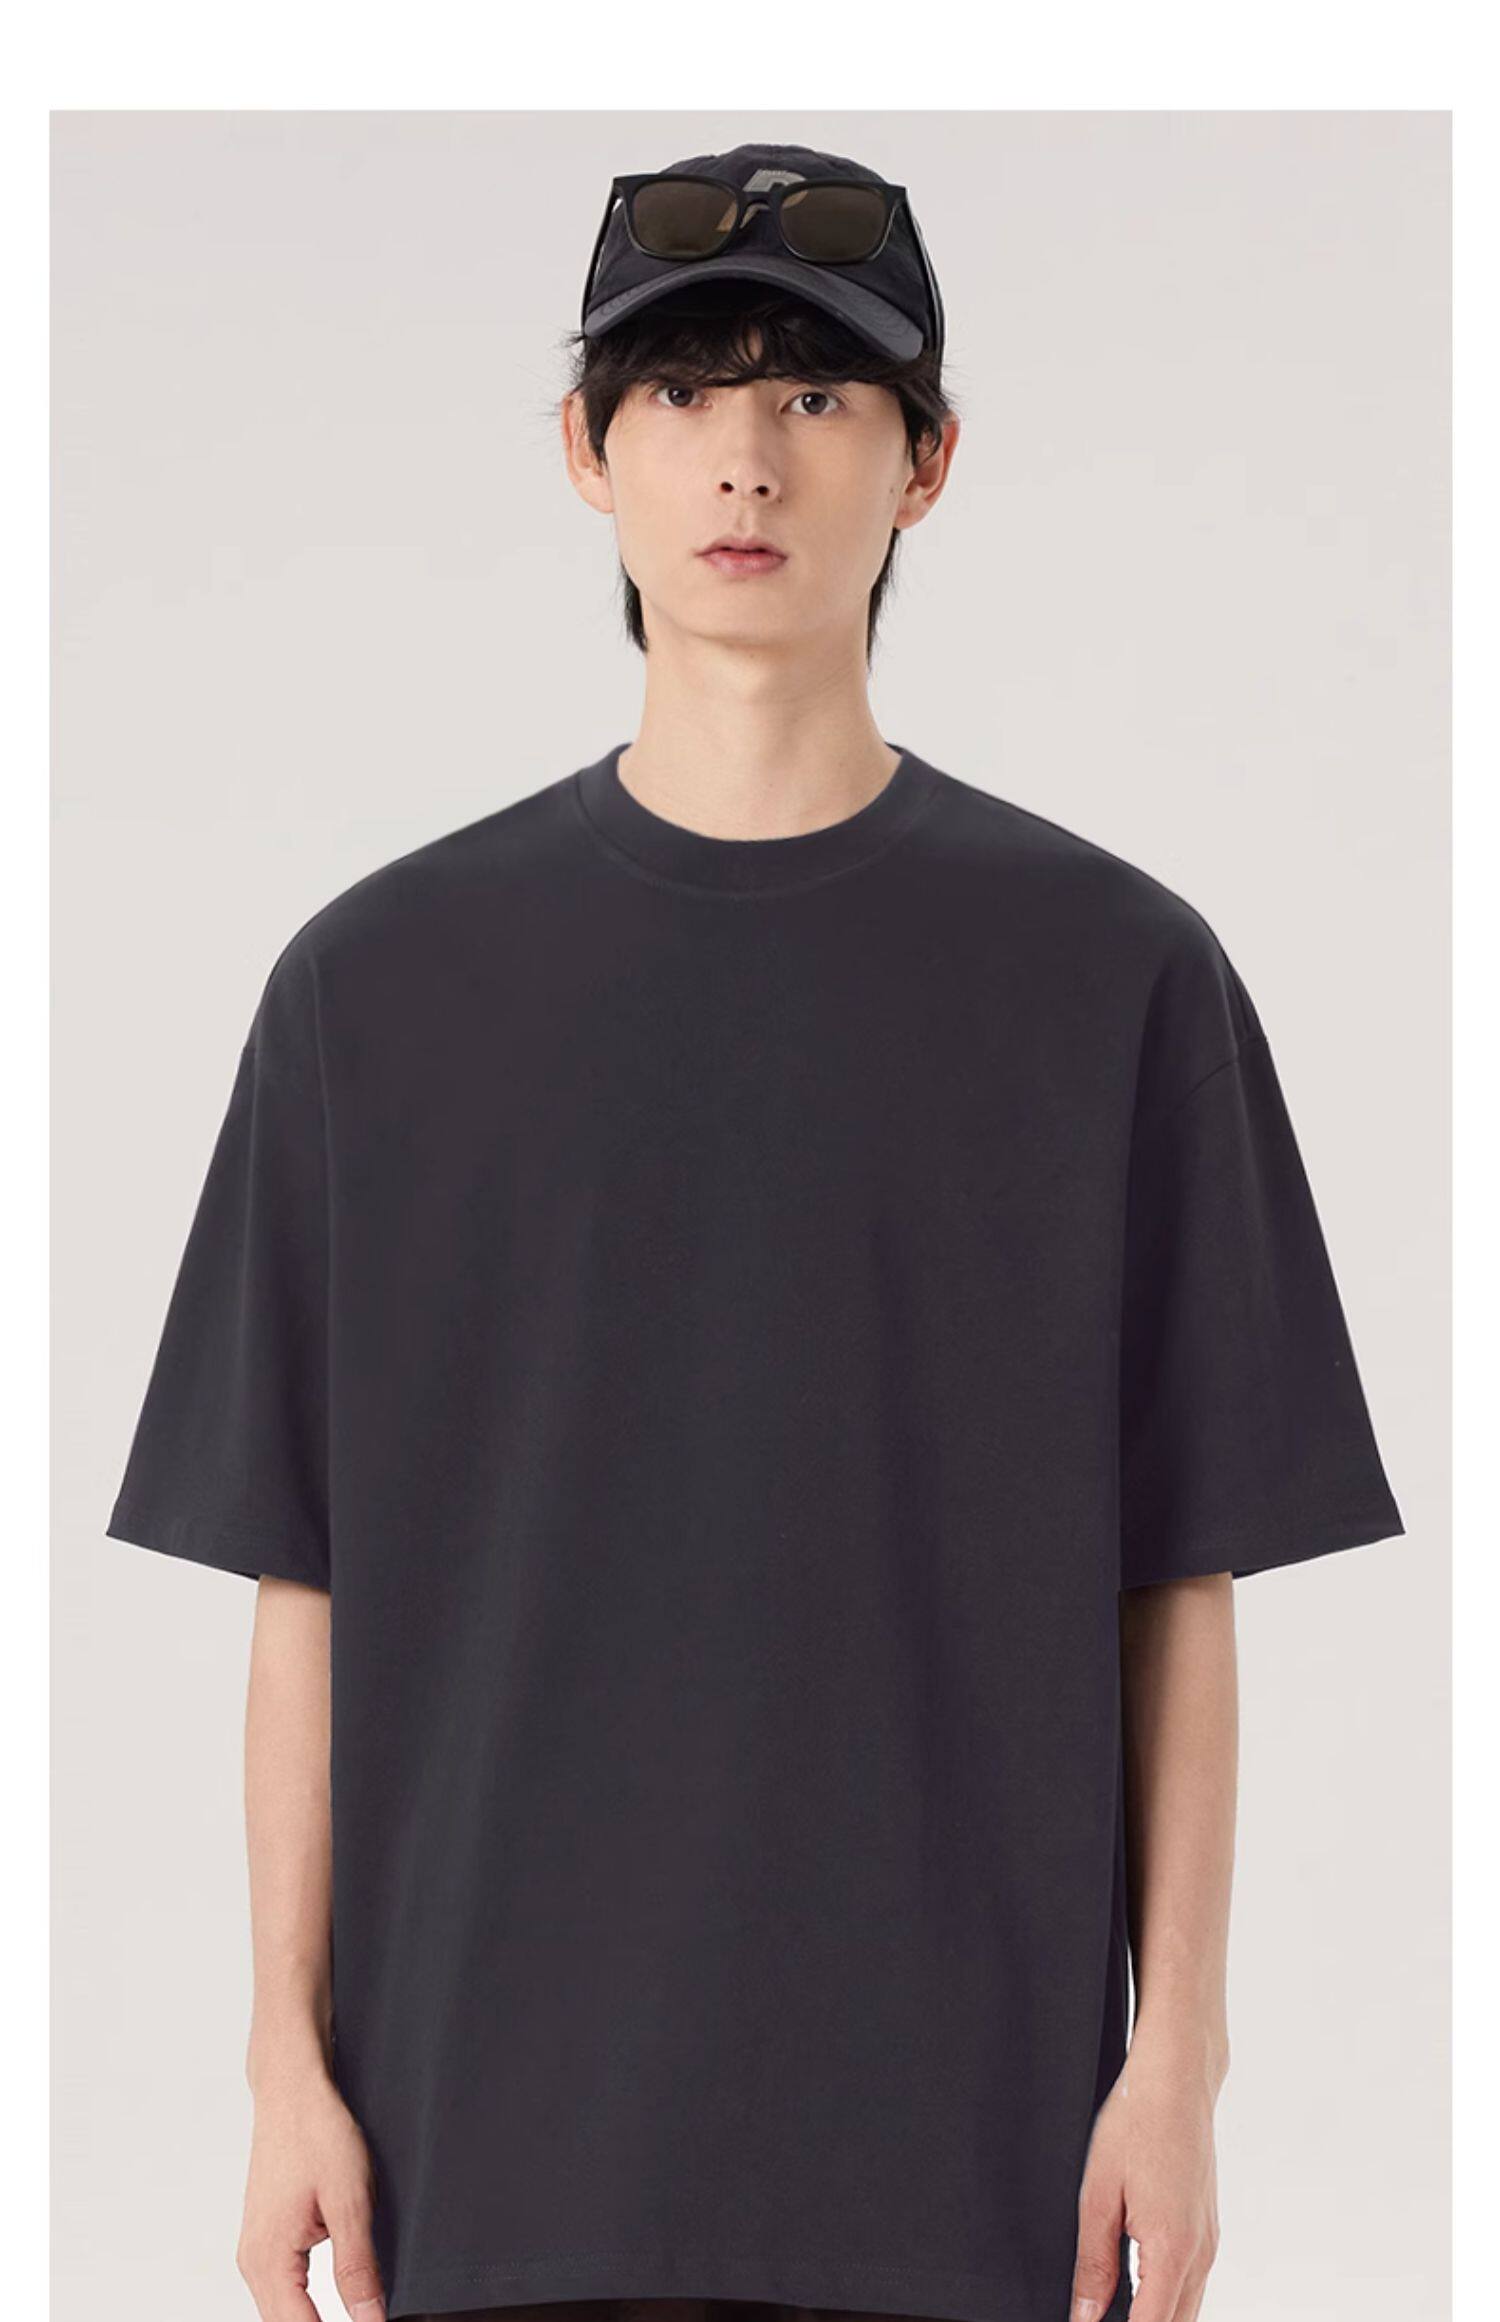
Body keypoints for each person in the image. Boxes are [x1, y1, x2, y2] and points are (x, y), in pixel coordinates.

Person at [104, 141, 1406, 2322]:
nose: (747, 455)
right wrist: (280, 2067)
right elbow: (302, 1585)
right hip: (488, 2142)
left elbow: (1176, 1578)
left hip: (970, 2157)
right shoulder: (379, 989)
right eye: (684, 389)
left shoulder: (1113, 978)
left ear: (928, 463)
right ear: (584, 450)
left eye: (817, 393)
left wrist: (1177, 2064)